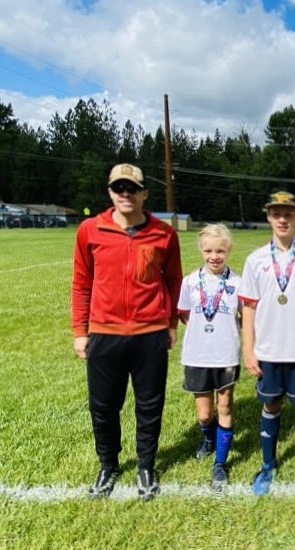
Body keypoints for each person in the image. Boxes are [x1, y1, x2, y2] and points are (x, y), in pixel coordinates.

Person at [72, 163, 183, 502]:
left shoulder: (164, 234)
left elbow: (173, 280)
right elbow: (82, 282)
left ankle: (146, 466)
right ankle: (108, 465)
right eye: (118, 188)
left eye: (132, 188)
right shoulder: (90, 230)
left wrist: (170, 323)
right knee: (103, 407)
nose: (125, 194)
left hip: (150, 333)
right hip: (104, 333)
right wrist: (80, 330)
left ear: (144, 193)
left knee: (150, 405)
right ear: (109, 192)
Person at [238, 190, 295, 497]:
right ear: (268, 217)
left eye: (288, 213)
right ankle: (268, 465)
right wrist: (247, 349)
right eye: (276, 213)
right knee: (271, 403)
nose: (282, 219)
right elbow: (248, 308)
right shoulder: (255, 260)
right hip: (269, 350)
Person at [177, 224, 241, 491]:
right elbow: (183, 313)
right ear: (201, 251)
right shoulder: (190, 282)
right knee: (204, 415)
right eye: (209, 251)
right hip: (198, 354)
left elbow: (244, 317)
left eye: (220, 251)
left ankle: (220, 463)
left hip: (226, 354)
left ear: (228, 251)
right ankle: (209, 439)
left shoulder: (238, 282)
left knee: (225, 407)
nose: (214, 256)